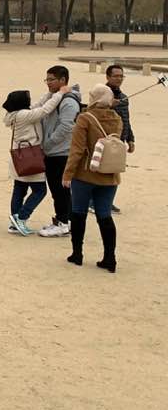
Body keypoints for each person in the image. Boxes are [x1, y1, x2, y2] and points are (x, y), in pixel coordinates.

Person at [63, 84, 123, 272]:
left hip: (85, 173)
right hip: (109, 173)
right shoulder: (117, 119)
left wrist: (68, 173)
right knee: (104, 215)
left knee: (79, 212)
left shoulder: (85, 119)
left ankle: (77, 253)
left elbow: (77, 150)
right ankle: (110, 257)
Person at [2, 86, 68, 235]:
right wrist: (60, 94)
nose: (30, 101)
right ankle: (21, 217)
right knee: (40, 190)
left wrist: (50, 93)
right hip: (30, 156)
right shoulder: (24, 115)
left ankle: (14, 223)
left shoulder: (15, 114)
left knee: (19, 188)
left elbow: (38, 105)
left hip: (19, 157)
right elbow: (45, 110)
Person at [32, 66, 81, 236]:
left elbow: (66, 127)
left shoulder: (68, 101)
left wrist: (47, 144)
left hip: (60, 153)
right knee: (59, 190)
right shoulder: (55, 97)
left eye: (52, 79)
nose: (48, 83)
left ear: (63, 80)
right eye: (47, 79)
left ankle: (63, 223)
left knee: (60, 190)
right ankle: (64, 220)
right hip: (54, 151)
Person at [105, 64, 134, 214]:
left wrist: (130, 138)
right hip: (105, 140)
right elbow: (92, 112)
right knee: (101, 171)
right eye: (116, 76)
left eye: (121, 76)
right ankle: (93, 201)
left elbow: (126, 119)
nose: (119, 79)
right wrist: (108, 104)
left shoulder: (123, 98)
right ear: (108, 77)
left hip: (120, 141)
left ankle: (108, 201)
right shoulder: (101, 94)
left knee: (115, 172)